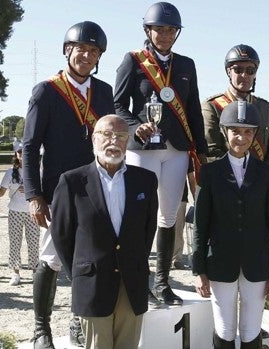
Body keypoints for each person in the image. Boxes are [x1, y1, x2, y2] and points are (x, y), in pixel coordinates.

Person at [22, 21, 114, 349]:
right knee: (51, 258)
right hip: (58, 192)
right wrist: (34, 195)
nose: (86, 56)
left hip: (95, 190)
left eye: (94, 51)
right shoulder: (46, 91)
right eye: (81, 50)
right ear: (67, 51)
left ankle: (79, 320)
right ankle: (40, 328)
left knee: (88, 259)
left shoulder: (104, 92)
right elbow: (30, 148)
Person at [114, 1, 208, 306]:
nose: (165, 35)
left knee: (169, 215)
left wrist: (202, 153)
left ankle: (163, 281)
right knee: (139, 214)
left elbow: (193, 110)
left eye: (170, 30)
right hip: (143, 148)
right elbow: (117, 106)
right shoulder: (132, 61)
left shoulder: (186, 65)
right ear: (148, 30)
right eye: (159, 29)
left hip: (177, 149)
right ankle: (137, 279)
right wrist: (134, 125)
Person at [50, 115, 158, 349]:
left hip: (132, 284)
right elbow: (61, 235)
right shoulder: (72, 182)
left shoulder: (146, 181)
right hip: (93, 285)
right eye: (106, 135)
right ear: (94, 139)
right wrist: (81, 273)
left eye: (120, 136)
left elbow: (148, 231)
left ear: (128, 141)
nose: (113, 141)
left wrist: (134, 261)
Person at [193, 101, 269, 349]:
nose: (241, 138)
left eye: (247, 132)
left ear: (254, 134)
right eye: (235, 130)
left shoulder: (266, 173)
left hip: (257, 264)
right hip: (220, 263)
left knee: (250, 328)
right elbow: (201, 224)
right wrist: (198, 270)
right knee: (224, 328)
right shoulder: (209, 173)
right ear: (225, 132)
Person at [202, 44, 269, 169]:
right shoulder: (212, 107)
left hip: (260, 180)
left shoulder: (264, 108)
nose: (244, 75)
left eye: (250, 71)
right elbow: (211, 150)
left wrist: (265, 175)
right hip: (227, 180)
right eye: (238, 70)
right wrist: (239, 175)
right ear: (229, 72)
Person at [0, 142, 39, 286]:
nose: (22, 155)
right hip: (15, 211)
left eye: (24, 152)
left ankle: (35, 271)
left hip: (32, 211)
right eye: (19, 152)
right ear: (16, 155)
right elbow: (1, 192)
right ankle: (15, 272)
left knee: (33, 242)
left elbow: (42, 191)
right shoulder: (10, 173)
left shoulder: (36, 171)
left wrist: (31, 191)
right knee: (15, 242)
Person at [171, 164, 196, 270]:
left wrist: (196, 198)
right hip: (160, 195)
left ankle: (176, 258)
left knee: (178, 229)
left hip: (180, 196)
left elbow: (191, 178)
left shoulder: (185, 155)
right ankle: (164, 259)